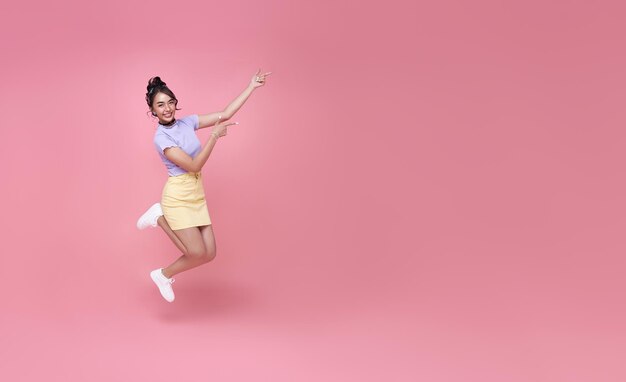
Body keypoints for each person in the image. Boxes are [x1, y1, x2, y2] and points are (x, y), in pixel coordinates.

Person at [137, 69, 271, 302]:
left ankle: (162, 269)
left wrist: (251, 86)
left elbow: (225, 113)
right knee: (196, 252)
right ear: (153, 110)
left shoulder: (188, 123)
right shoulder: (162, 138)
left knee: (209, 254)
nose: (167, 108)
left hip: (196, 193)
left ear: (175, 103)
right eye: (160, 105)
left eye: (170, 102)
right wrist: (214, 137)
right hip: (178, 195)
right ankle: (159, 226)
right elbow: (194, 165)